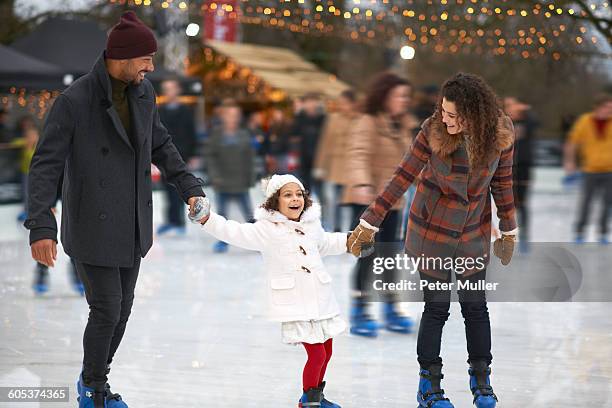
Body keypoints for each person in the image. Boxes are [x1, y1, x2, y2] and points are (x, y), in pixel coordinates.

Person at [24, 11, 208, 408]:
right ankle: (92, 388)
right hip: (92, 222)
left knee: (122, 311)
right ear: (121, 57)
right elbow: (45, 165)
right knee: (106, 309)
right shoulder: (74, 101)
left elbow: (161, 144)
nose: (151, 67)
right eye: (145, 59)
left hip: (133, 222)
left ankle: (96, 379)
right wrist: (41, 225)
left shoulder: (144, 93)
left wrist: (189, 187)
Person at [348, 72, 517, 408]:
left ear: (474, 114)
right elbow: (403, 175)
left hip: (472, 233)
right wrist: (370, 221)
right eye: (443, 111)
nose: (445, 119)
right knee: (437, 307)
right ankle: (429, 385)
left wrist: (508, 227)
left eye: (453, 114)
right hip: (431, 232)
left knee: (475, 306)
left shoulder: (500, 134)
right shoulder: (433, 131)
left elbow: (502, 183)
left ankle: (481, 380)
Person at [198, 174, 348, 408]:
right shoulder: (266, 230)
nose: (295, 199)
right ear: (275, 201)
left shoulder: (311, 225)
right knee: (316, 354)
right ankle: (308, 403)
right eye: (287, 195)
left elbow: (326, 243)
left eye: (299, 194)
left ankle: (315, 397)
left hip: (320, 298)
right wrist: (207, 219)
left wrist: (350, 241)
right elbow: (233, 231)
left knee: (327, 351)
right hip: (296, 302)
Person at [342, 72, 416, 337]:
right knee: (367, 257)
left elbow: (411, 163)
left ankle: (390, 307)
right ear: (384, 96)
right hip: (366, 203)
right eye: (398, 95)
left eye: (406, 95)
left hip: (393, 204)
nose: (404, 100)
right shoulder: (368, 122)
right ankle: (360, 309)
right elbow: (357, 154)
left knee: (388, 258)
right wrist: (362, 184)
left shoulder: (404, 126)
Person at [204, 102, 255, 253]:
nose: (232, 119)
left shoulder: (244, 135)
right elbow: (211, 157)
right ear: (223, 117)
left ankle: (257, 240)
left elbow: (250, 159)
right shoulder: (217, 134)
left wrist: (250, 177)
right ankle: (223, 241)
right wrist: (215, 176)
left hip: (240, 182)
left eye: (235, 116)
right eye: (229, 115)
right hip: (223, 182)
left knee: (249, 214)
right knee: (222, 215)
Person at [563, 93, 612, 244]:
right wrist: (569, 162)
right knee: (586, 202)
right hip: (590, 169)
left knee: (607, 203)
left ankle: (603, 233)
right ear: (598, 107)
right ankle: (579, 231)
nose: (610, 110)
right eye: (607, 107)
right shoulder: (585, 121)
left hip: (609, 170)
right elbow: (572, 142)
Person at [313, 89, 359, 232]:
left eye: (345, 103)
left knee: (352, 202)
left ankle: (354, 230)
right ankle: (337, 228)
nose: (342, 106)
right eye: (341, 103)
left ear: (352, 104)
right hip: (335, 167)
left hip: (353, 167)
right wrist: (320, 166)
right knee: (334, 201)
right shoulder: (333, 119)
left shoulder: (360, 119)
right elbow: (325, 143)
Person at [156, 78, 198, 236]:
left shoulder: (186, 111)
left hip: (182, 154)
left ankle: (179, 222)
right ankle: (170, 220)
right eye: (166, 89)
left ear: (178, 90)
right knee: (167, 189)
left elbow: (191, 133)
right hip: (163, 155)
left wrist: (193, 154)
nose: (169, 92)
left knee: (179, 188)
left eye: (171, 88)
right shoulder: (160, 110)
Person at [504, 96, 538, 251]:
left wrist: (526, 112)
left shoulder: (528, 123)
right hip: (506, 167)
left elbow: (536, 123)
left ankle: (524, 236)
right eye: (508, 106)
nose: (512, 109)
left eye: (514, 106)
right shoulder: (502, 123)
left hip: (524, 168)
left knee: (522, 204)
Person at [291, 93, 326, 194]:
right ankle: (306, 209)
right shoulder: (300, 118)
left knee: (321, 192)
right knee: (305, 192)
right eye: (308, 102)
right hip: (304, 161)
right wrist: (297, 113)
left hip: (319, 161)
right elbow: (293, 134)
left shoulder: (323, 118)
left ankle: (323, 209)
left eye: (313, 102)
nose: (310, 105)